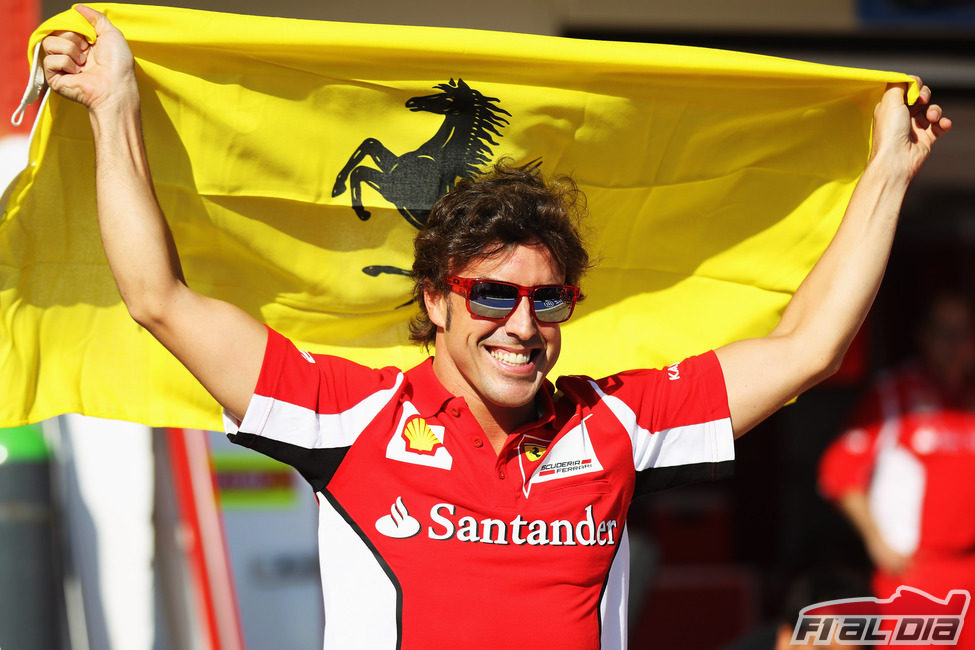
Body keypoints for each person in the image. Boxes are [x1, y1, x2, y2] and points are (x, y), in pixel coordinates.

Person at [40, 5, 950, 648]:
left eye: (546, 300)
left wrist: (886, 175)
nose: (522, 324)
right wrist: (115, 107)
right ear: (435, 298)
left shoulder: (615, 423)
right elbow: (160, 298)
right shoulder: (345, 414)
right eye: (492, 296)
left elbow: (806, 349)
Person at [819, 291, 975, 650]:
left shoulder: (969, 397)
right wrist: (876, 539)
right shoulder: (894, 394)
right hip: (917, 576)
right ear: (924, 337)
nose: (954, 346)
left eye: (963, 334)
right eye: (944, 333)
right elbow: (837, 471)